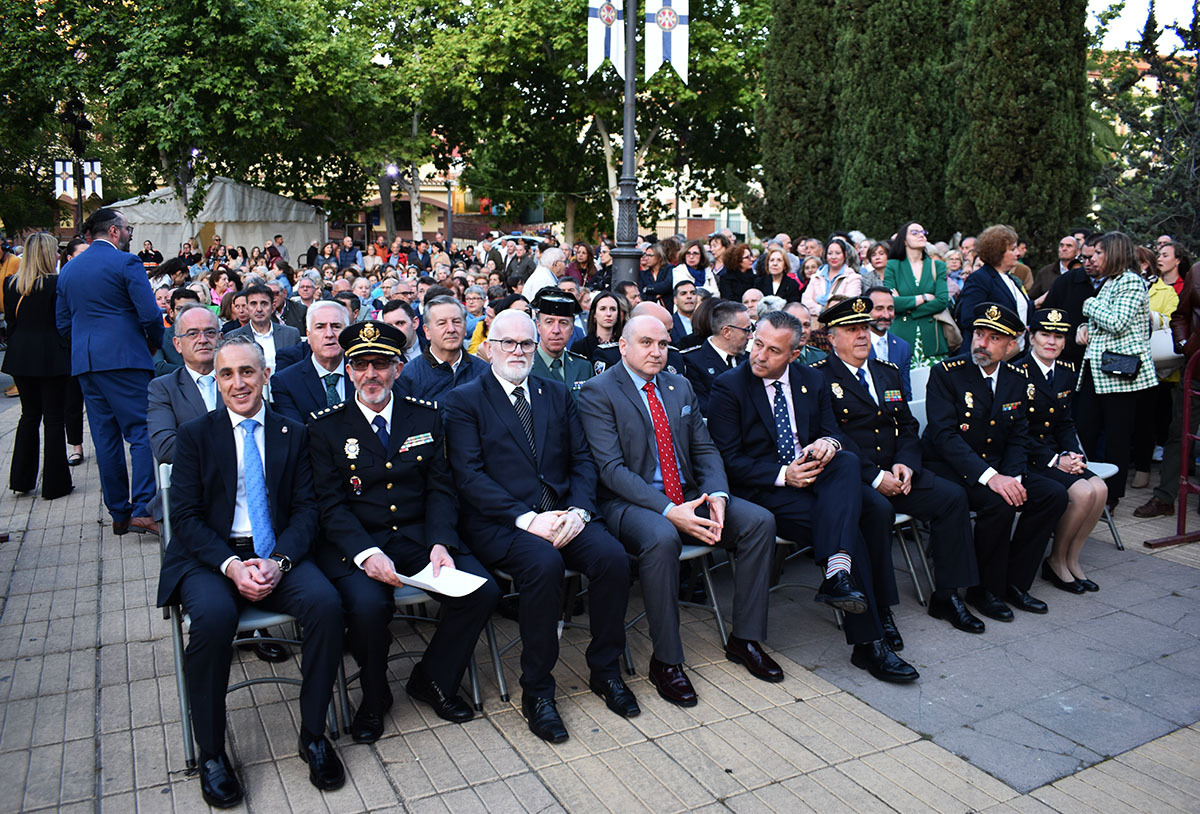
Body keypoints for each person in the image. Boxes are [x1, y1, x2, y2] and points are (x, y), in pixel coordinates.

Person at [155, 336, 345, 807]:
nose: (238, 383)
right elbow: (186, 518)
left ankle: (314, 735)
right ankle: (212, 752)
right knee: (214, 621)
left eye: (247, 372)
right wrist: (231, 564)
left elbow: (306, 510)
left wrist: (278, 563)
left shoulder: (292, 432)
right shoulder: (196, 436)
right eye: (226, 374)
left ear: (264, 376)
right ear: (216, 382)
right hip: (213, 557)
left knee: (325, 605)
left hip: (276, 554)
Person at [443, 311, 636, 742]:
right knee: (544, 566)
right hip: (504, 522)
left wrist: (579, 513)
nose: (518, 351)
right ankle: (538, 691)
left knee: (613, 559)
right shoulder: (465, 400)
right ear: (488, 347)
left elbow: (583, 460)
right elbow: (469, 476)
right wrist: (529, 519)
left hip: (563, 515)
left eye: (526, 344)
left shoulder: (556, 393)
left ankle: (605, 671)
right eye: (508, 343)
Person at [307, 321, 498, 743]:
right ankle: (374, 697)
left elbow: (441, 486)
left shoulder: (425, 414)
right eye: (360, 364)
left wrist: (441, 542)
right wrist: (364, 554)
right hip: (359, 546)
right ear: (349, 369)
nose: (370, 374)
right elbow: (330, 504)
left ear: (397, 367)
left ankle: (432, 678)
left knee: (482, 591)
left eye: (380, 364)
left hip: (419, 538)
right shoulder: (326, 427)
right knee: (368, 608)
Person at [578, 315, 782, 707]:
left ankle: (746, 639)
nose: (657, 352)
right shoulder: (598, 391)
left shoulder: (678, 384)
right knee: (661, 537)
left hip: (689, 493)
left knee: (759, 522)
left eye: (663, 344)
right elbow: (611, 470)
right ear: (623, 346)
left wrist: (718, 495)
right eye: (646, 343)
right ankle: (666, 661)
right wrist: (670, 510)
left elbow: (704, 449)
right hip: (629, 503)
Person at [707, 308, 920, 681]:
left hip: (817, 481)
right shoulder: (730, 385)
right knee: (852, 528)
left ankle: (841, 576)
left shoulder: (811, 380)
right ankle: (869, 642)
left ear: (794, 353)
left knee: (851, 468)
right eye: (758, 344)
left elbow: (831, 430)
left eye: (774, 351)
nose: (760, 355)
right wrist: (784, 475)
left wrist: (826, 443)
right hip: (765, 489)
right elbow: (728, 460)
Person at [812, 299, 983, 635]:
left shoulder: (886, 372)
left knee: (952, 497)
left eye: (864, 328)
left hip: (898, 472)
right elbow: (832, 437)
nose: (862, 335)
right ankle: (880, 608)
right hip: (857, 479)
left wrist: (906, 463)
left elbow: (906, 426)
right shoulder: (818, 379)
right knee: (876, 512)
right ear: (832, 338)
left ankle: (947, 595)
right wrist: (876, 477)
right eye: (852, 330)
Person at [922, 303, 1068, 621]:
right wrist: (992, 477)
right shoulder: (947, 375)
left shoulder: (1016, 378)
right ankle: (982, 589)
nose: (982, 343)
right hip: (951, 467)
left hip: (998, 466)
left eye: (993, 338)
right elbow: (945, 438)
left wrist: (1014, 475)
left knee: (1052, 495)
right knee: (998, 502)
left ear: (1010, 344)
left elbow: (1019, 434)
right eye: (978, 334)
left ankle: (1011, 583)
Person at [56, 208, 164, 535]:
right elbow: (149, 314)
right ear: (115, 231)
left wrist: (86, 346)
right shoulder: (126, 263)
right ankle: (144, 509)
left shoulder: (70, 269)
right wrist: (152, 345)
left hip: (86, 362)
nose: (131, 233)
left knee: (105, 439)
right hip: (124, 358)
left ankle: (119, 512)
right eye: (128, 228)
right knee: (142, 431)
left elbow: (63, 324)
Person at [1015, 309, 1107, 593]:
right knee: (1083, 493)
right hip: (1030, 457)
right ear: (1031, 337)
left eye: (1058, 336)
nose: (1051, 342)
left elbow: (1065, 421)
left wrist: (1073, 453)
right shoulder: (1016, 373)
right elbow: (1015, 432)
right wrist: (1056, 459)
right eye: (1045, 334)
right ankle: (1055, 561)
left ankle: (1071, 558)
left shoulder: (1066, 371)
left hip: (1058, 454)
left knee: (1100, 488)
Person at [1074, 232, 1156, 511]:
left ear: (1115, 253)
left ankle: (1111, 497)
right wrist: (1082, 328)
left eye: (1099, 252)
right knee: (1084, 429)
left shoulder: (1131, 281)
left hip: (1118, 373)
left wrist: (1089, 304)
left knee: (1117, 438)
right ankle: (1084, 488)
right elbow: (1101, 325)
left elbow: (1118, 322)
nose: (1094, 258)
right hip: (1097, 372)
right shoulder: (1110, 282)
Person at [3, 233, 73, 499]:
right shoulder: (57, 284)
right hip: (52, 356)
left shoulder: (11, 284)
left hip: (21, 355)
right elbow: (63, 323)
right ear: (47, 254)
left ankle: (21, 479)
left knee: (29, 416)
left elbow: (11, 323)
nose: (58, 255)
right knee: (54, 418)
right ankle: (56, 484)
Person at [1137, 242, 1200, 518]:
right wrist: (1186, 344)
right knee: (1178, 433)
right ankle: (1165, 498)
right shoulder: (1197, 272)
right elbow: (1181, 316)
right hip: (1196, 371)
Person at [270, 301, 353, 423]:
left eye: (336, 326)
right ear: (308, 335)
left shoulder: (364, 374)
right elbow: (296, 434)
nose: (329, 334)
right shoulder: (285, 382)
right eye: (320, 327)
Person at [953, 225, 1031, 353]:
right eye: (1012, 249)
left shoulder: (1010, 279)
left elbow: (1019, 309)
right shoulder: (980, 278)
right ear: (998, 253)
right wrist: (1008, 329)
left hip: (1014, 355)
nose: (1018, 253)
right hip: (987, 355)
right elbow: (968, 318)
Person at [396, 295, 489, 400]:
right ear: (427, 331)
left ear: (465, 327)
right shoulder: (408, 376)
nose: (451, 329)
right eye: (442, 323)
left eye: (457, 322)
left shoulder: (485, 372)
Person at [884, 221, 951, 363]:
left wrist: (909, 309)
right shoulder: (893, 266)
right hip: (901, 335)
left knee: (935, 382)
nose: (921, 235)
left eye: (923, 232)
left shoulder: (937, 265)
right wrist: (924, 297)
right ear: (904, 240)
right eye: (914, 232)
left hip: (932, 338)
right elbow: (890, 302)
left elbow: (941, 301)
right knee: (902, 382)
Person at [680, 300, 753, 415]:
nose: (751, 336)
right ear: (727, 332)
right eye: (747, 330)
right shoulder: (692, 362)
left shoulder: (749, 359)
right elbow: (704, 408)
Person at [529, 289, 593, 400]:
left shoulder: (583, 367)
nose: (556, 330)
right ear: (538, 326)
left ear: (572, 329)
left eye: (563, 323)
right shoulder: (526, 366)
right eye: (549, 322)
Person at [229, 284, 301, 374]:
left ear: (272, 307)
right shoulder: (233, 337)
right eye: (253, 304)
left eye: (264, 304)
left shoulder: (290, 334)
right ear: (247, 307)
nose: (259, 309)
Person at [864, 288, 913, 400]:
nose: (886, 315)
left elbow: (905, 392)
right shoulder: (857, 344)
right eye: (879, 309)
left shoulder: (902, 347)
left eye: (890, 309)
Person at [802, 238, 861, 315]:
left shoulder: (853, 278)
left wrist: (819, 299)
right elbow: (806, 301)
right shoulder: (816, 277)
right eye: (830, 253)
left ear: (845, 254)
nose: (833, 257)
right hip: (817, 323)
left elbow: (848, 303)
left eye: (838, 253)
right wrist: (822, 309)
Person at [572, 290, 626, 365]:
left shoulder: (625, 346)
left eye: (613, 309)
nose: (608, 314)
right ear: (594, 314)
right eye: (603, 309)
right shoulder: (580, 347)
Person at [1029, 237, 1081, 304]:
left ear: (1078, 251)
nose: (1064, 249)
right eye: (1061, 246)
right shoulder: (1045, 272)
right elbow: (1032, 297)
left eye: (1069, 246)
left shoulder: (1083, 272)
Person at [380, 299, 423, 365]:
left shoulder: (434, 347)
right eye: (389, 326)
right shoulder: (383, 356)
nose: (395, 330)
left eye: (400, 323)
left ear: (415, 323)